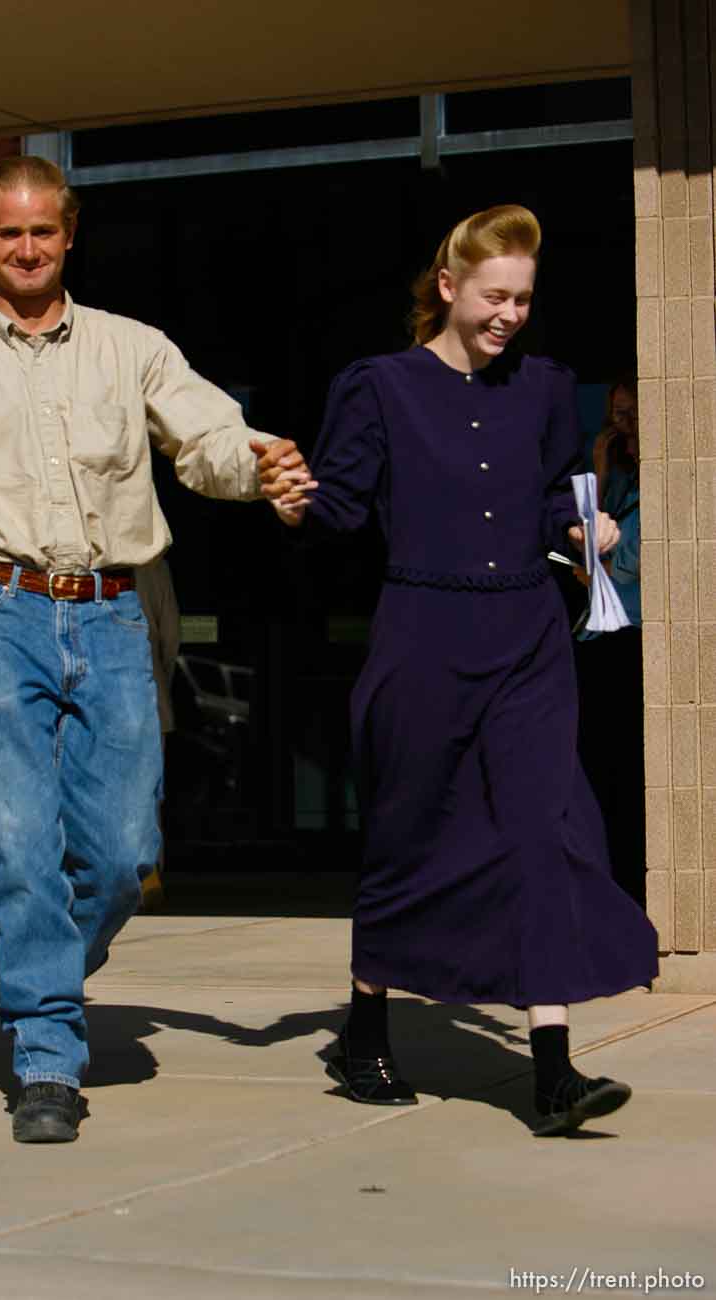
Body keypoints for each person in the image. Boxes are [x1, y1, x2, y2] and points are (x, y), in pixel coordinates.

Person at [0, 155, 311, 1144]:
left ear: (68, 237)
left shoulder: (131, 348)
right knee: (18, 848)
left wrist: (259, 465)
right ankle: (47, 1058)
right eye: (8, 232)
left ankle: (50, 963)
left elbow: (206, 442)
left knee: (121, 855)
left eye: (43, 232)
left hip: (110, 614)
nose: (26, 249)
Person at [277, 205, 658, 1136]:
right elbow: (340, 509)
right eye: (494, 295)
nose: (509, 314)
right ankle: (366, 1030)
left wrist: (582, 530)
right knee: (411, 833)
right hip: (423, 632)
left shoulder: (545, 390)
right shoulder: (379, 387)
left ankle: (555, 1072)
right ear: (447, 288)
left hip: (527, 637)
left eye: (522, 298)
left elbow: (546, 507)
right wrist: (290, 500)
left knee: (542, 833)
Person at [574, 377, 644, 903]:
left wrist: (593, 562)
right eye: (616, 416)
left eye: (632, 415)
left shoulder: (662, 484)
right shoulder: (622, 481)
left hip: (633, 638)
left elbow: (623, 563)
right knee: (598, 770)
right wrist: (600, 463)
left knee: (623, 772)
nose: (623, 427)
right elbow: (591, 532)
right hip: (601, 636)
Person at [133, 555, 180, 910]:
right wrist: (160, 679)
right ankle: (147, 873)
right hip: (147, 690)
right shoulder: (151, 564)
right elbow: (169, 635)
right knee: (146, 792)